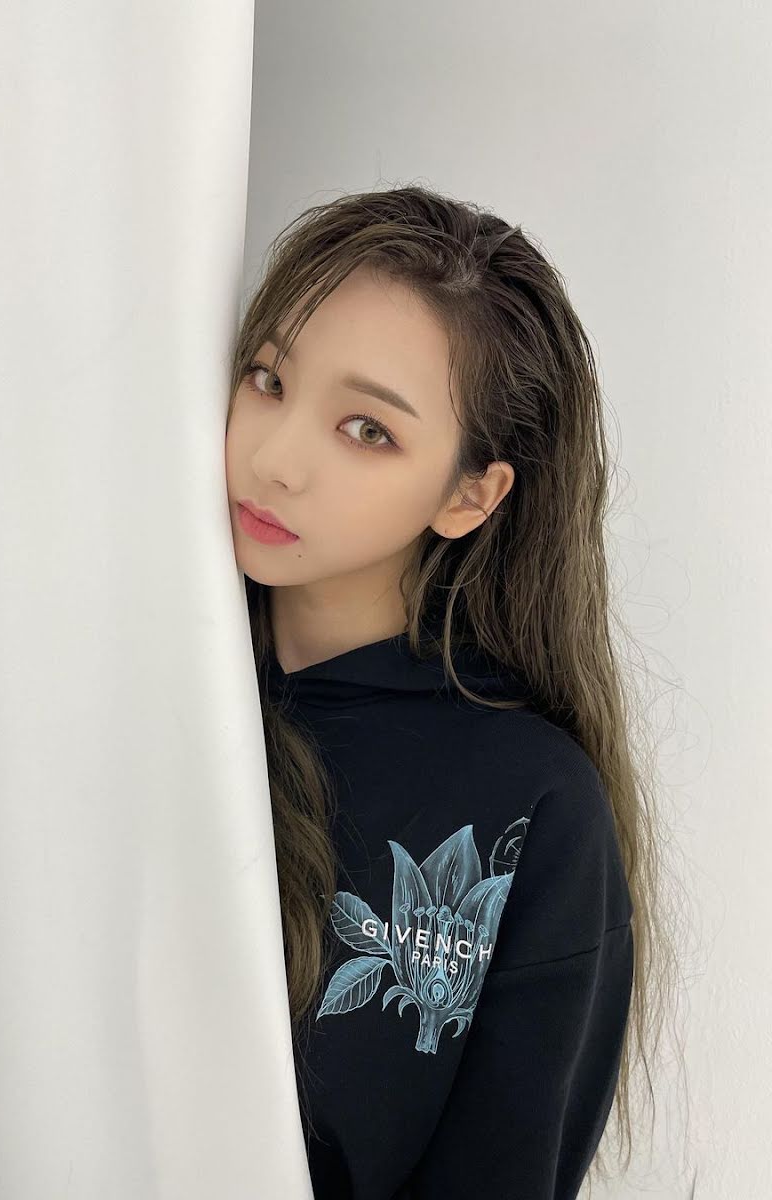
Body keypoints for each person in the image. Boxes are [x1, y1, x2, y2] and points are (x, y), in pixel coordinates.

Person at [224, 186, 671, 1199]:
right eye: (268, 378)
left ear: (471, 494)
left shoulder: (532, 804)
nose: (275, 460)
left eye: (366, 429)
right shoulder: (134, 685)